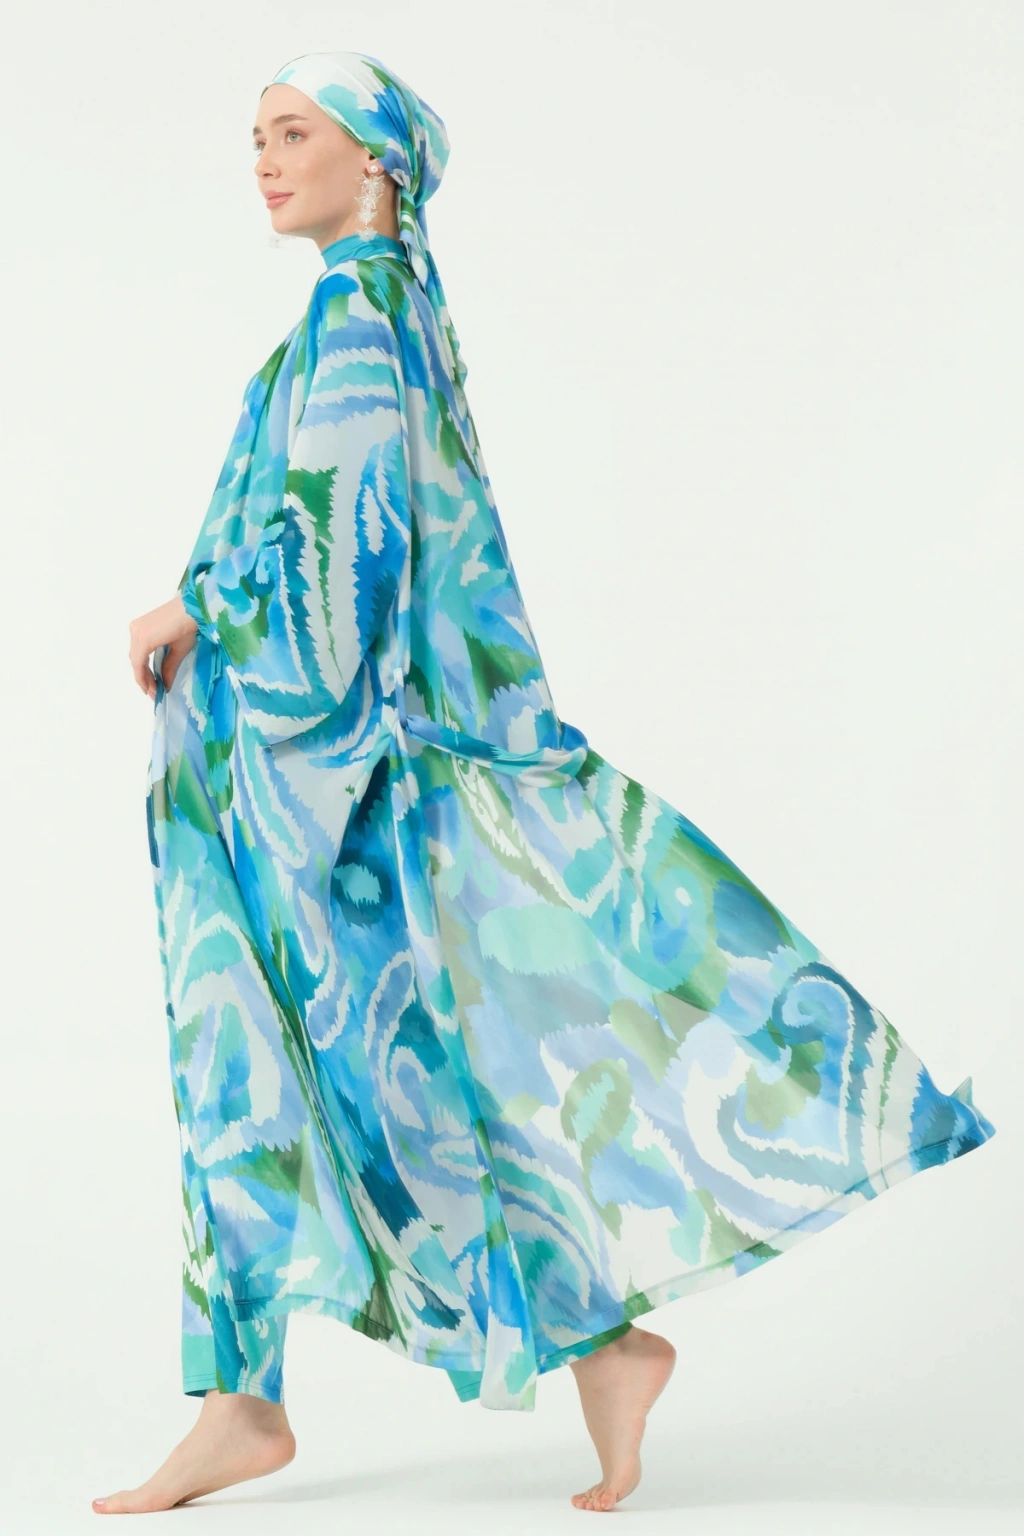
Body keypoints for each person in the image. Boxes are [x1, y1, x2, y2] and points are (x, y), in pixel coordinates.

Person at [98, 51, 996, 1517]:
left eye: (292, 133)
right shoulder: (395, 310)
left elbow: (342, 558)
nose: (262, 159)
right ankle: (573, 1350)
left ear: (375, 161)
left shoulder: (357, 320)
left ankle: (262, 1397)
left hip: (318, 772)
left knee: (288, 1071)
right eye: (254, 135)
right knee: (412, 1072)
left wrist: (196, 611)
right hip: (350, 768)